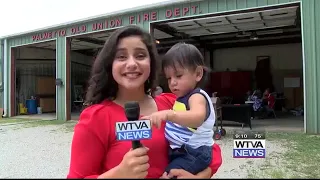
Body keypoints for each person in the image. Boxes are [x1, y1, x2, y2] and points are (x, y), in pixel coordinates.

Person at [66, 25, 222, 179]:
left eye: (140, 55)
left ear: (151, 63)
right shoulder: (96, 118)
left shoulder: (173, 104)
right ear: (110, 64)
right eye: (121, 56)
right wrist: (118, 174)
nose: (132, 63)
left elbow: (208, 146)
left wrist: (202, 175)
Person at [141, 43, 215, 177]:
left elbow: (197, 118)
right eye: (169, 78)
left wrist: (169, 114)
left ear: (198, 74)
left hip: (194, 152)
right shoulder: (182, 98)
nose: (173, 82)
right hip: (185, 152)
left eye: (178, 76)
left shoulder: (196, 96)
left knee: (171, 174)